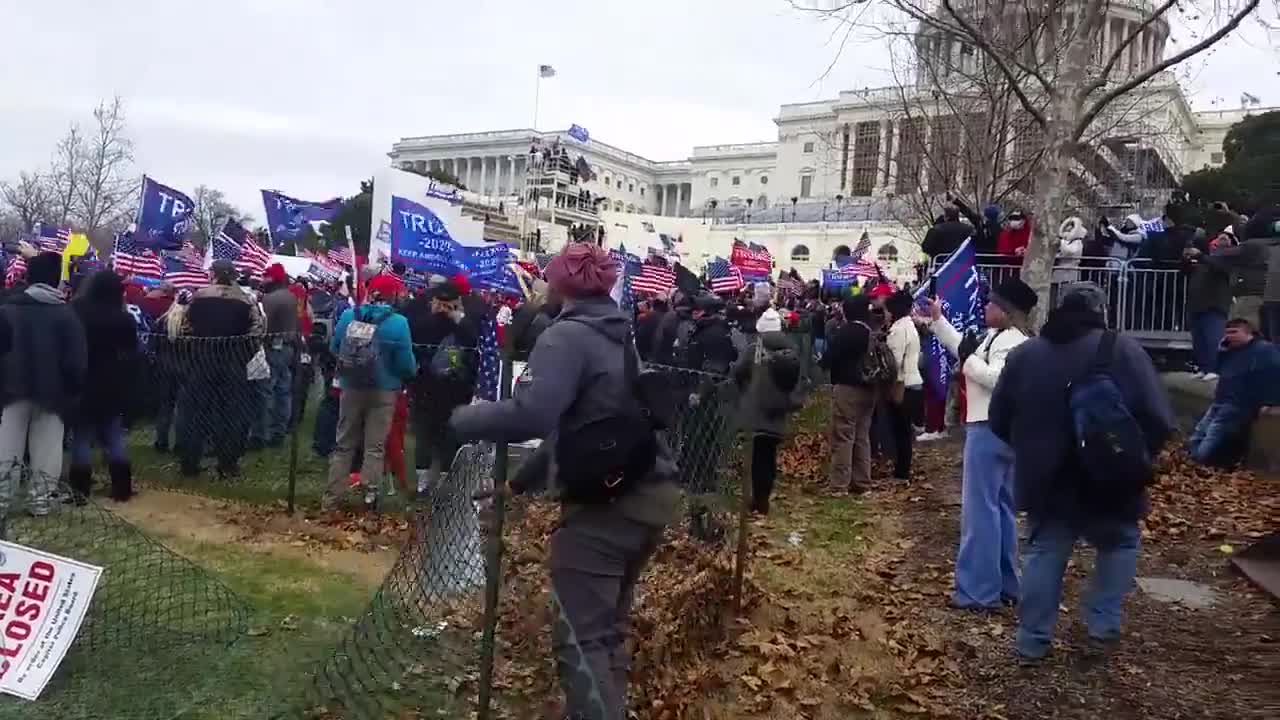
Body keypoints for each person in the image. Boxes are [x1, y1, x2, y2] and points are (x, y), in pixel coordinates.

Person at [448, 242, 680, 720]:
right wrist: (517, 484)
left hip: (607, 509)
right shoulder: (619, 334)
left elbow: (535, 415)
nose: (543, 287)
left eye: (547, 279)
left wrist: (467, 418)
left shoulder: (565, 337)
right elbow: (582, 427)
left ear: (561, 285)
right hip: (648, 494)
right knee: (607, 630)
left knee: (582, 641)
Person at [988, 283, 1175, 661]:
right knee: (1119, 544)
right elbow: (1158, 418)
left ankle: (1032, 641)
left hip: (1045, 478)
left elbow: (998, 419)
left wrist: (1031, 449)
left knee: (1044, 553)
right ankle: (1101, 626)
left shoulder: (1026, 354)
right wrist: (1133, 456)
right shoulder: (1122, 349)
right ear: (1100, 311)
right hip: (1111, 478)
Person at [925, 277, 1036, 610]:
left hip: (989, 427)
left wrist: (967, 361)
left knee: (980, 511)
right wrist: (939, 321)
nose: (985, 306)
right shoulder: (998, 337)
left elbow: (994, 378)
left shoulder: (1014, 342)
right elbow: (966, 346)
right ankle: (1005, 584)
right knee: (999, 508)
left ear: (1006, 311)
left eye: (991, 303)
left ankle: (978, 591)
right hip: (994, 428)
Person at [321, 274, 417, 510]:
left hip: (351, 385)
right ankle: (369, 497)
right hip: (384, 389)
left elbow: (334, 347)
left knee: (344, 443)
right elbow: (406, 363)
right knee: (375, 446)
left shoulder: (348, 316)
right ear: (393, 295)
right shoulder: (399, 323)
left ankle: (332, 497)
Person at [0, 252, 80, 516]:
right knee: (47, 451)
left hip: (10, 390)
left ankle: (1, 500)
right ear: (55, 280)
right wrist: (71, 392)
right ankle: (40, 502)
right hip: (52, 393)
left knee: (6, 449)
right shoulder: (66, 315)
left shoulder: (8, 310)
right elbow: (76, 361)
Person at [178, 259, 264, 478]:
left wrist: (195, 348)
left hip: (202, 362)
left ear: (213, 274)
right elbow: (257, 332)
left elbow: (184, 327)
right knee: (232, 415)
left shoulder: (199, 296)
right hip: (233, 363)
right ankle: (227, 463)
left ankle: (190, 462)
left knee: (194, 414)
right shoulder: (246, 300)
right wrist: (243, 354)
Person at [68, 271, 139, 503]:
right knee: (113, 436)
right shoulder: (122, 318)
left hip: (82, 378)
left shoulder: (77, 311)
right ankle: (122, 488)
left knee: (81, 437)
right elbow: (132, 349)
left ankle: (80, 490)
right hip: (112, 380)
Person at [403, 278, 477, 498]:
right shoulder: (460, 325)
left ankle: (430, 480)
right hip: (444, 387)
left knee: (433, 434)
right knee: (439, 435)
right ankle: (437, 480)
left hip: (437, 387)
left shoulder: (426, 323)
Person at [733, 309, 806, 514]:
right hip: (779, 411)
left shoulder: (753, 349)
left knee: (755, 458)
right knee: (769, 457)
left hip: (755, 411)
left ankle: (755, 500)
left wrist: (746, 391)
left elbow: (738, 372)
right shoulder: (791, 348)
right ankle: (764, 498)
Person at [1186, 318, 1280, 466]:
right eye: (1227, 333)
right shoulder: (1230, 350)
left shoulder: (1264, 350)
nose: (1229, 336)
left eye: (1234, 332)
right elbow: (1219, 371)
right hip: (1221, 401)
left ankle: (1199, 463)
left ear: (1248, 332)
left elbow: (1275, 375)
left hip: (1239, 404)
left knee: (1210, 440)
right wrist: (1221, 352)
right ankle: (1193, 462)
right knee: (1197, 435)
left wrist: (1271, 402)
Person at [821, 295, 875, 493]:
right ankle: (862, 482)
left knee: (843, 435)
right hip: (869, 388)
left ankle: (839, 484)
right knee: (862, 436)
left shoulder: (845, 332)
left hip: (846, 387)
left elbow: (828, 358)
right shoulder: (870, 332)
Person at [253, 263, 299, 447]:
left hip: (272, 347)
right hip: (288, 347)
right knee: (283, 390)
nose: (263, 280)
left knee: (265, 391)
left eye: (266, 276)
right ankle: (279, 430)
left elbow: (263, 325)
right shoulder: (291, 296)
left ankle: (261, 434)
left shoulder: (271, 300)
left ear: (273, 278)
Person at [1183, 230, 1235, 379]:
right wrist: (1186, 259)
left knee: (1213, 338)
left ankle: (1215, 369)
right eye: (1219, 237)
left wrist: (1200, 256)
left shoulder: (1229, 257)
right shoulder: (1206, 258)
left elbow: (1220, 268)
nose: (1222, 239)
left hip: (1215, 305)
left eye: (1226, 237)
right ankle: (1203, 367)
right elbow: (1185, 272)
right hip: (1196, 304)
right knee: (1199, 340)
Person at [885, 290, 923, 481]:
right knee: (904, 431)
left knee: (900, 431)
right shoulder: (911, 326)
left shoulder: (898, 330)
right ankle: (903, 469)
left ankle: (901, 472)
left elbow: (894, 361)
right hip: (913, 382)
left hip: (902, 384)